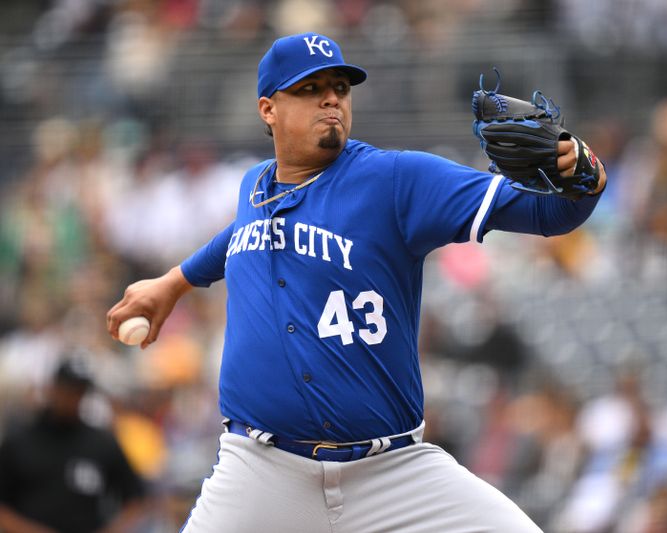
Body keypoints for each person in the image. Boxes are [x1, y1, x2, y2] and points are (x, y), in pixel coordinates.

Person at [106, 32, 606, 532]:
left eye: (340, 88)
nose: (331, 98)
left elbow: (549, 213)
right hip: (260, 473)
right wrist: (173, 282)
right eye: (309, 88)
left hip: (392, 472)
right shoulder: (255, 187)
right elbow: (241, 236)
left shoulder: (395, 181)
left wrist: (585, 173)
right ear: (268, 109)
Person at [0, 358, 146, 533]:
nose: (74, 398)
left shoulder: (100, 443)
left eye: (80, 392)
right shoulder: (20, 441)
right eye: (68, 390)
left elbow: (136, 500)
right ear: (53, 388)